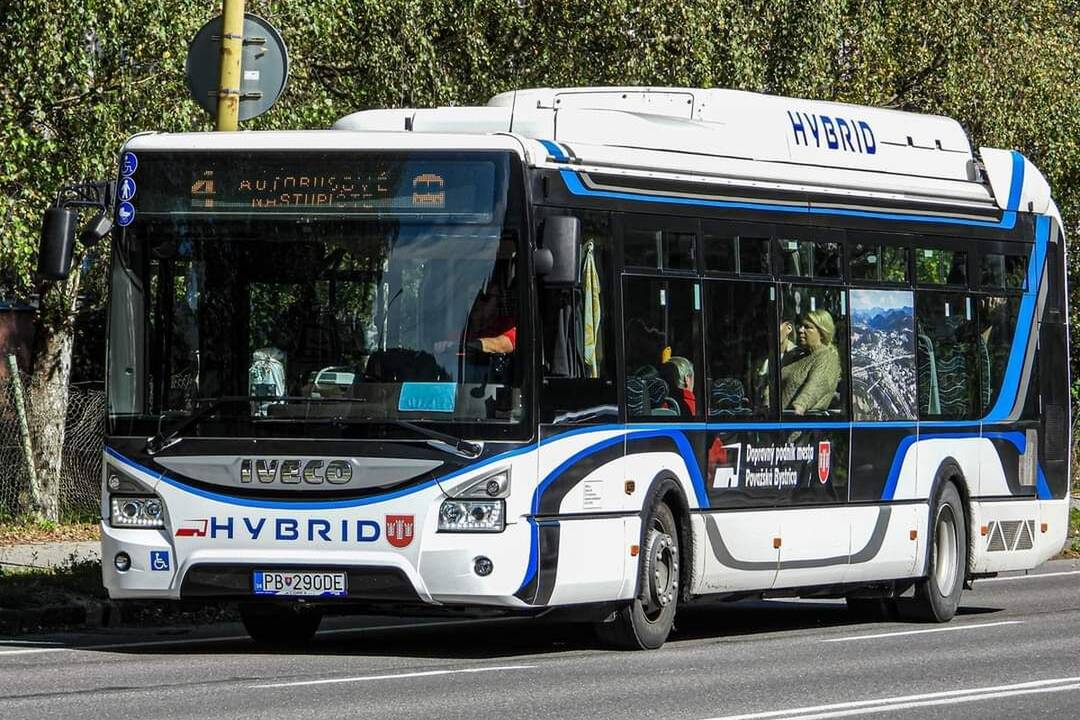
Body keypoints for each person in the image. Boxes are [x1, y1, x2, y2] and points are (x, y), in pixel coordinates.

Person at [781, 308, 841, 414]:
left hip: (798, 425)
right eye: (801, 326)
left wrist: (800, 406)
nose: (800, 330)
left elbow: (815, 387)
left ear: (822, 333)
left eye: (808, 327)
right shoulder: (798, 355)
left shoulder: (827, 357)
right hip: (776, 422)